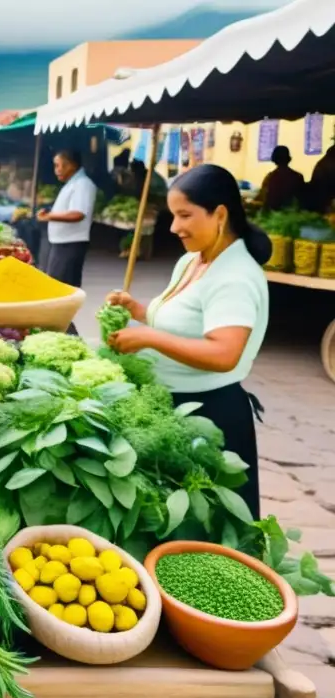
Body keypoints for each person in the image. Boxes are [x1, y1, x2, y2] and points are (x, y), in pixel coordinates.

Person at [107, 164, 270, 520]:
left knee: (208, 528)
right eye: (172, 215)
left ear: (220, 214)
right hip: (174, 409)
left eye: (185, 215)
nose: (174, 227)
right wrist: (137, 310)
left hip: (211, 414)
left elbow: (225, 353)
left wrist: (149, 337)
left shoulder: (235, 276)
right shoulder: (192, 261)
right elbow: (181, 322)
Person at [38, 149, 98, 288]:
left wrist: (49, 216)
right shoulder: (72, 183)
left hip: (70, 244)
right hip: (62, 242)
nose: (56, 170)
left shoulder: (83, 184)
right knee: (58, 288)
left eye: (58, 165)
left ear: (70, 165)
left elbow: (77, 214)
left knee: (62, 289)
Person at [259, 146, 304, 211]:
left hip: (273, 217)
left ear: (274, 160)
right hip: (293, 215)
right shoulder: (297, 177)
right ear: (288, 159)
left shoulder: (270, 178)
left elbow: (265, 202)